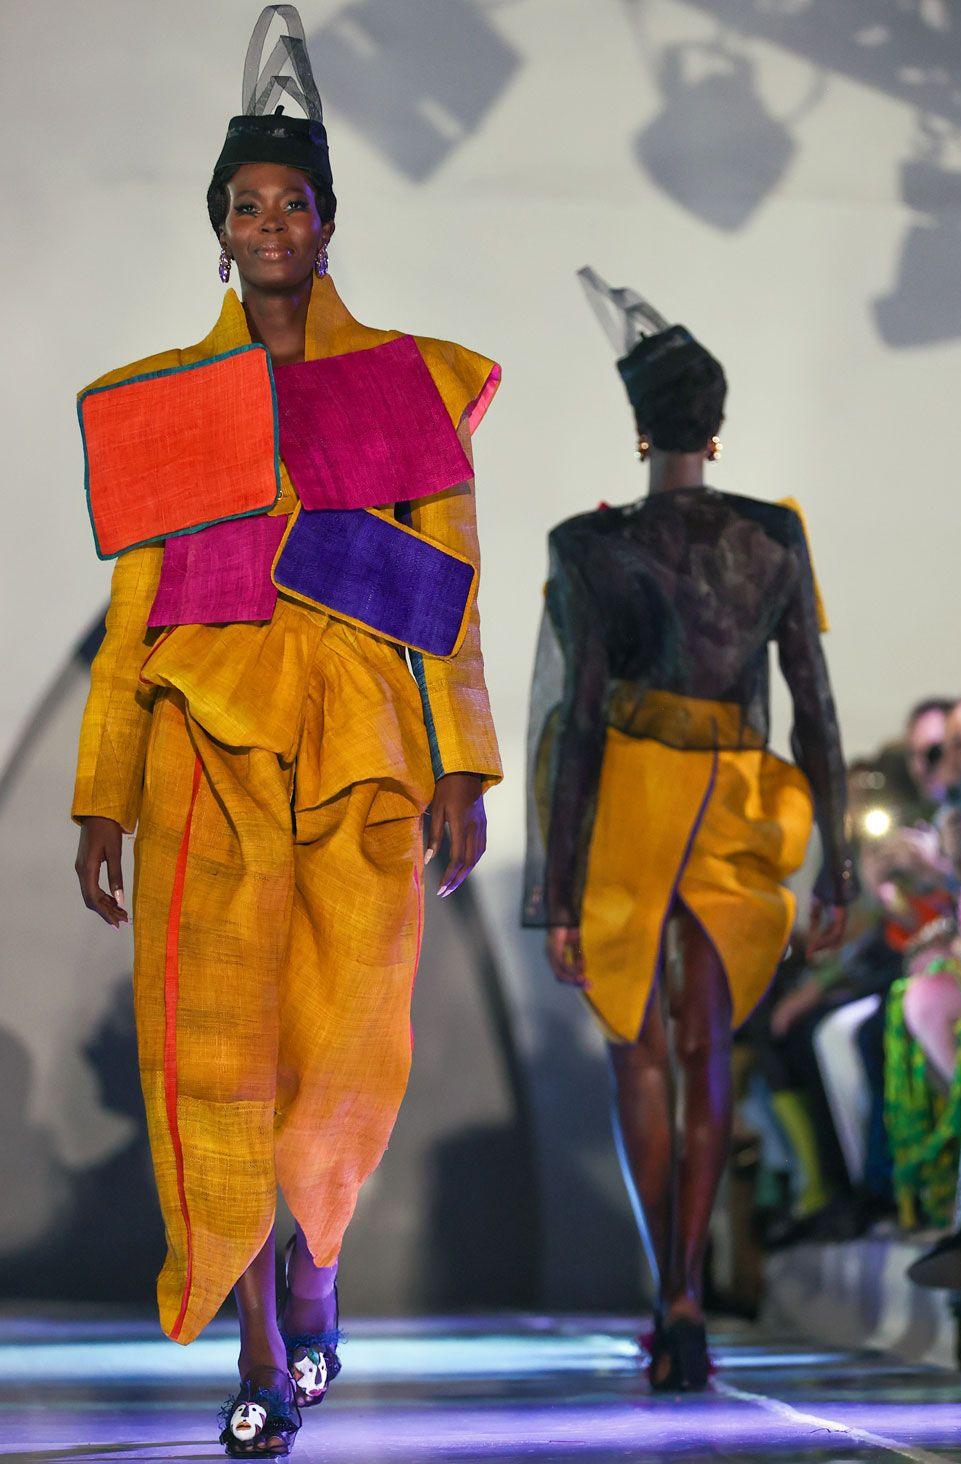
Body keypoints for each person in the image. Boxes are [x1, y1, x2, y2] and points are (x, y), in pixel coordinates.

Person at [72, 7, 501, 1455]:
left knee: (348, 1053)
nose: (270, 222)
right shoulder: (167, 406)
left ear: (328, 223)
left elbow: (448, 596)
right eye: (246, 204)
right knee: (221, 1056)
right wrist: (100, 796)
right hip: (206, 750)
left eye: (292, 202)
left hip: (370, 755)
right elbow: (139, 617)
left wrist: (464, 765)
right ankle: (257, 1348)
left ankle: (315, 1277)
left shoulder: (405, 386)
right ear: (220, 229)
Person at [524, 269, 855, 1391]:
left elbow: (573, 730)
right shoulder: (773, 538)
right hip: (735, 799)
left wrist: (556, 894)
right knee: (710, 1049)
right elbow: (814, 706)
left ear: (639, 430)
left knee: (640, 1051)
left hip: (627, 793)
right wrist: (841, 874)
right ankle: (684, 1295)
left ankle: (661, 1289)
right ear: (716, 430)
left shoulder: (588, 544)